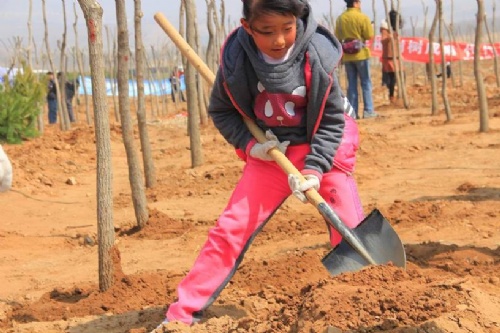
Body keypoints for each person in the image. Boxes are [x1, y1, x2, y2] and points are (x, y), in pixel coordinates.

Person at [151, 0, 365, 330]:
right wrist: (253, 148)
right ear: (247, 27)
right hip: (271, 150)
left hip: (324, 144)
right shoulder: (236, 61)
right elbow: (222, 112)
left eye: (287, 28)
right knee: (230, 229)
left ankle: (357, 301)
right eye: (267, 32)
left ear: (299, 19)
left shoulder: (317, 55)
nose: (279, 40)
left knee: (346, 225)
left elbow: (334, 121)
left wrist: (315, 168)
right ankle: (181, 315)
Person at [335, 0, 377, 119]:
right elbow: (369, 35)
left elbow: (337, 36)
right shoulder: (362, 17)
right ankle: (368, 111)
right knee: (366, 82)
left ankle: (352, 112)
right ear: (355, 3)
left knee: (351, 84)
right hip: (361, 54)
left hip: (347, 56)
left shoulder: (340, 19)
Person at [380, 10, 404, 104]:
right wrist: (390, 36)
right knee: (391, 79)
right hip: (389, 57)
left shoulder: (396, 28)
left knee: (400, 76)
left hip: (397, 56)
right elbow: (383, 40)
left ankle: (399, 95)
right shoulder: (385, 28)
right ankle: (391, 96)